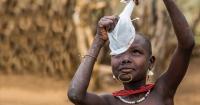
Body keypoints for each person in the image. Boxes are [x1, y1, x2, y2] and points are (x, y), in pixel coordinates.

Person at [67, 0, 195, 105]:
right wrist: (98, 40)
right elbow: (75, 94)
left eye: (136, 52)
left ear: (150, 62)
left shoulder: (162, 92)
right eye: (118, 52)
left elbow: (187, 45)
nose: (125, 59)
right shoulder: (108, 102)